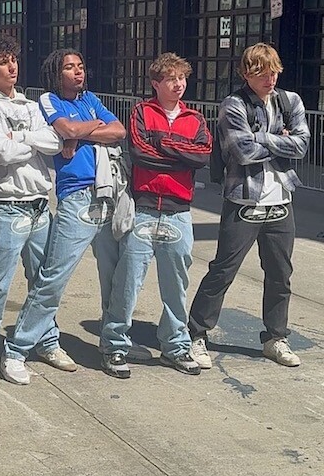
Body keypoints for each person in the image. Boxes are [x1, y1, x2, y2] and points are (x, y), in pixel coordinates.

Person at [3, 49, 126, 376]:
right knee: (53, 277)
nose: (78, 72)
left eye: (80, 66)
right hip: (77, 198)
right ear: (56, 74)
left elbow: (119, 131)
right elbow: (65, 129)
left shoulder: (91, 99)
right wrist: (83, 129)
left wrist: (80, 132)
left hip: (108, 193)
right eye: (70, 68)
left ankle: (113, 345)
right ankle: (17, 348)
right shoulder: (49, 100)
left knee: (115, 275)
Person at [188, 43, 310, 368]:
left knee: (280, 274)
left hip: (281, 199)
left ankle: (275, 338)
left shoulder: (290, 101)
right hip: (243, 199)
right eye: (262, 73)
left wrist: (261, 137)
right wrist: (279, 138)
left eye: (274, 72)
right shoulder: (234, 104)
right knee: (223, 270)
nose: (270, 78)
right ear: (246, 74)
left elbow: (302, 146)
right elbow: (242, 152)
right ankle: (197, 334)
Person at [99, 53, 212, 378]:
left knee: (176, 285)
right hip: (144, 209)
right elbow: (140, 154)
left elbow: (202, 156)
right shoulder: (141, 112)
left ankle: (175, 346)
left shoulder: (196, 118)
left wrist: (162, 143)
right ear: (155, 83)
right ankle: (114, 345)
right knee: (128, 282)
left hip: (179, 212)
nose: (178, 85)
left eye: (182, 78)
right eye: (171, 79)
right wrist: (180, 155)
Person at [0, 33, 63, 390]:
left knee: (44, 282)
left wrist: (19, 138)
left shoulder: (30, 105)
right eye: (3, 63)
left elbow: (55, 142)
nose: (12, 67)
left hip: (40, 203)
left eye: (13, 60)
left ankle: (46, 340)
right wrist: (32, 143)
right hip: (8, 206)